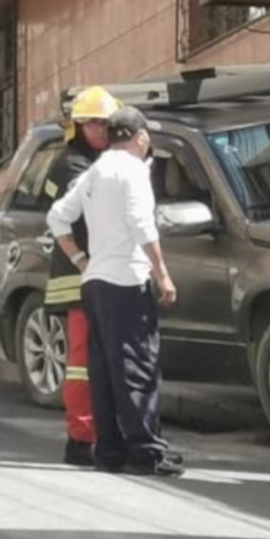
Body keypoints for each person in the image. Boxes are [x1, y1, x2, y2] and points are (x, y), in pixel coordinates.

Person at [47, 105, 182, 477]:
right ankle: (145, 452)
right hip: (126, 280)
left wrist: (81, 261)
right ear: (141, 137)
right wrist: (162, 274)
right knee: (137, 367)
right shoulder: (133, 171)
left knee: (104, 370)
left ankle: (109, 451)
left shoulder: (96, 170)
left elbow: (57, 217)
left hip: (95, 283)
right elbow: (141, 223)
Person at [37, 85, 120, 467]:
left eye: (106, 124)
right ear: (78, 127)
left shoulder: (101, 161)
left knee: (102, 361)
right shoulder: (72, 164)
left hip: (103, 274)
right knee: (82, 362)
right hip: (79, 277)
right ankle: (80, 439)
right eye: (93, 124)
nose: (101, 130)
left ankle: (103, 434)